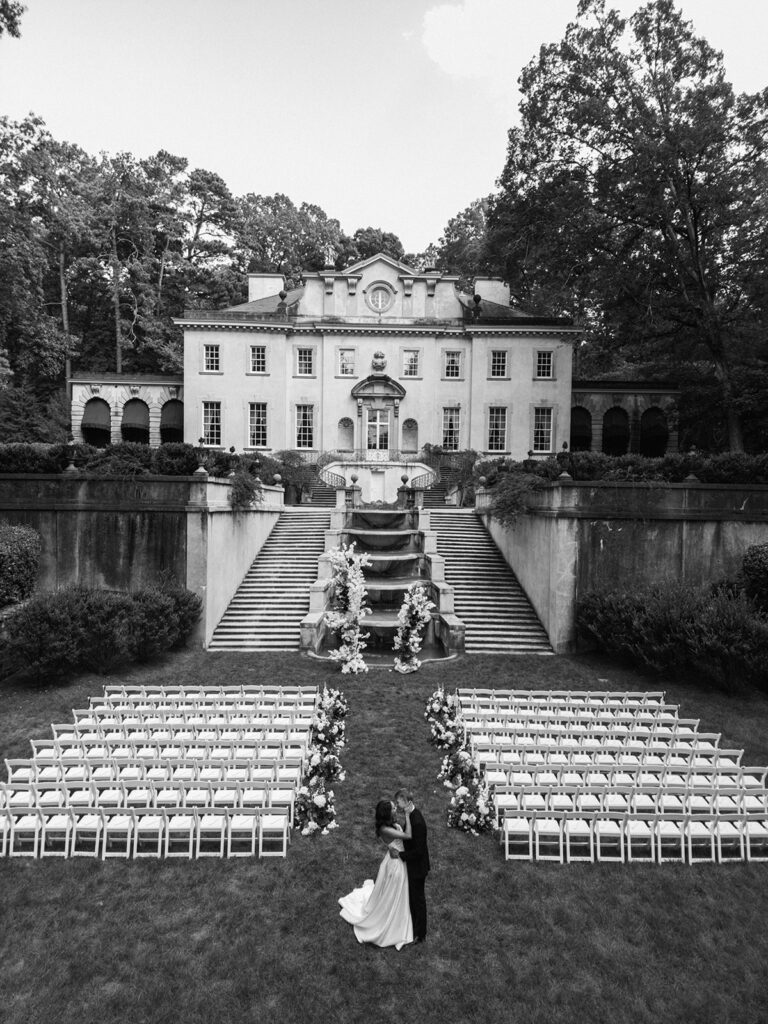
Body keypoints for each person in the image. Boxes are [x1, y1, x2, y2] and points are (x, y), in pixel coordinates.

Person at [338, 799, 414, 950]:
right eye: (393, 808)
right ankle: (391, 919)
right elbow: (408, 836)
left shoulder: (389, 824)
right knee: (394, 891)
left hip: (395, 857)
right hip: (396, 863)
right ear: (387, 813)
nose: (395, 808)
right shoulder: (385, 829)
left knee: (392, 890)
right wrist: (408, 815)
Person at [393, 788, 430, 943]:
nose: (397, 804)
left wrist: (401, 855)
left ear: (407, 801)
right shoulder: (410, 814)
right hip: (413, 865)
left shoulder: (418, 822)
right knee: (413, 898)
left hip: (417, 868)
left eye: (399, 802)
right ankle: (413, 924)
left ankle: (420, 934)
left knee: (418, 900)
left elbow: (419, 851)